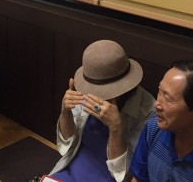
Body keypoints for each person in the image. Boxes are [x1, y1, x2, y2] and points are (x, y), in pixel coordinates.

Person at [48, 40, 155, 182]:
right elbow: (65, 145)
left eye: (103, 91)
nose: (96, 95)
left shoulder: (148, 111)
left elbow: (123, 172)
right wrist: (65, 113)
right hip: (73, 166)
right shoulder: (87, 89)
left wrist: (116, 128)